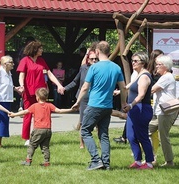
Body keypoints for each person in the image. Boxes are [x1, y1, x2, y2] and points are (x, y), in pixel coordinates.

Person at [72, 41, 127, 170]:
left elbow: (85, 87)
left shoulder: (94, 68)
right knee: (104, 134)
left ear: (97, 51)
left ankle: (96, 160)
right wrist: (124, 102)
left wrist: (78, 101)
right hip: (108, 106)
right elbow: (123, 88)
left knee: (85, 131)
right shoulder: (116, 68)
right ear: (109, 51)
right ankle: (106, 164)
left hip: (94, 105)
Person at [9, 88, 74, 166]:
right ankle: (46, 162)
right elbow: (59, 110)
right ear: (46, 97)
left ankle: (28, 160)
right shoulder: (49, 105)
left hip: (38, 130)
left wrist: (14, 114)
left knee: (32, 145)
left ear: (37, 98)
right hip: (48, 130)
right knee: (45, 146)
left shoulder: (35, 106)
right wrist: (70, 109)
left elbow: (25, 112)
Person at [16, 40, 65, 146]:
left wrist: (59, 85)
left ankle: (40, 136)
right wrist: (22, 86)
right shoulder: (25, 60)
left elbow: (50, 74)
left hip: (41, 92)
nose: (42, 50)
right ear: (35, 49)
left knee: (42, 114)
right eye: (40, 48)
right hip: (28, 91)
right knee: (28, 113)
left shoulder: (41, 60)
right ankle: (27, 138)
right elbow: (21, 75)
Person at [123, 51, 154, 169]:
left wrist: (131, 105)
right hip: (134, 110)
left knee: (142, 136)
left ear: (143, 62)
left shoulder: (145, 76)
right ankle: (138, 161)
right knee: (131, 136)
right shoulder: (138, 75)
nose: (133, 63)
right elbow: (128, 86)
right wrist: (119, 91)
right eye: (132, 61)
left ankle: (149, 162)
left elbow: (141, 95)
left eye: (136, 61)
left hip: (141, 109)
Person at [64, 49, 98, 149]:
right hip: (83, 98)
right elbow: (75, 81)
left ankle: (100, 143)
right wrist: (65, 88)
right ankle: (82, 144)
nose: (94, 61)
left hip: (95, 97)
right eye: (92, 59)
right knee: (83, 121)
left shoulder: (100, 69)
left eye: (96, 59)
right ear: (88, 59)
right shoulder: (83, 68)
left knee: (98, 122)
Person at [151, 55, 178, 167]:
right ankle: (151, 158)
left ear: (165, 66)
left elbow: (153, 89)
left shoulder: (166, 77)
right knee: (146, 131)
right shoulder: (165, 76)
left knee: (163, 136)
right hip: (159, 112)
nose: (156, 66)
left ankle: (169, 162)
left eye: (159, 64)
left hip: (165, 112)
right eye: (156, 64)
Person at [146, 49, 164, 164]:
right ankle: (149, 154)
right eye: (160, 57)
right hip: (150, 102)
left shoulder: (164, 73)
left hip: (158, 104)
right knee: (148, 131)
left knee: (154, 132)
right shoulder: (150, 72)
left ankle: (153, 155)